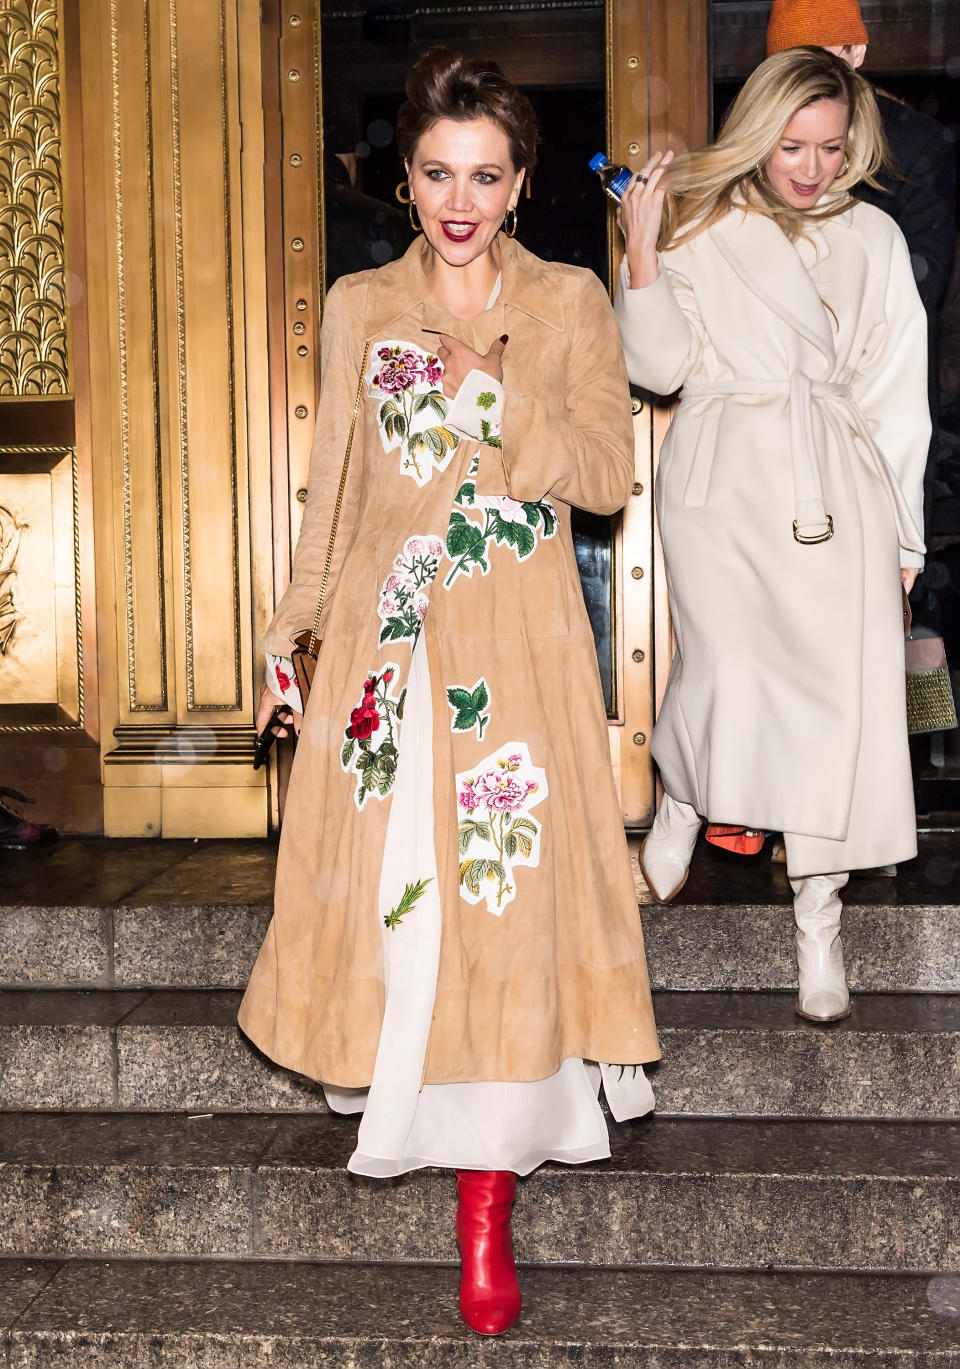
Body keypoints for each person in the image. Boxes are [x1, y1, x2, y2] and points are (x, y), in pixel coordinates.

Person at [239, 45, 659, 1337]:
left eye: (485, 174)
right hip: (388, 652)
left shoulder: (574, 299)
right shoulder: (361, 305)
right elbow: (337, 493)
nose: (459, 198)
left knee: (503, 909)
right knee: (403, 915)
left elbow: (606, 473)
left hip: (517, 661)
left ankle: (488, 1204)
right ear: (407, 181)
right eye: (436, 173)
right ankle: (425, 1132)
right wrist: (290, 634)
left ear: (523, 181)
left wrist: (496, 402)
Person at [615, 46, 928, 1022]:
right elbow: (660, 366)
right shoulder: (704, 221)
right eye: (791, 144)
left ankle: (819, 924)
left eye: (831, 147)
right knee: (726, 668)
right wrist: (641, 248)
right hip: (720, 476)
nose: (811, 166)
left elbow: (895, 394)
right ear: (758, 132)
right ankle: (682, 795)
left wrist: (907, 537)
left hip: (833, 479)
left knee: (837, 704)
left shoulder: (874, 236)